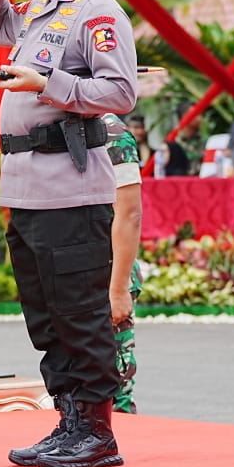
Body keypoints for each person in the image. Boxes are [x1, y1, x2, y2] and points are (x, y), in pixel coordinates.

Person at [0, 0, 136, 467]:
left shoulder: (97, 11)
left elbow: (121, 92)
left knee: (79, 311)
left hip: (70, 187)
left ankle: (96, 429)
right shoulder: (45, 8)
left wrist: (47, 82)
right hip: (27, 188)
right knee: (45, 316)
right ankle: (69, 416)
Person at [102, 115, 142, 414]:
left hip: (110, 269)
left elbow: (129, 214)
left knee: (116, 382)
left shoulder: (112, 132)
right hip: (79, 265)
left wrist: (118, 289)